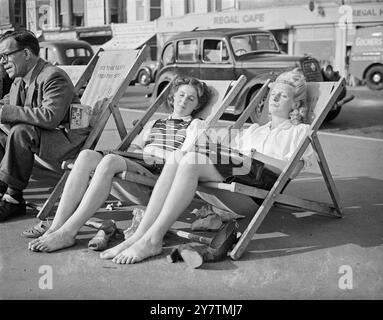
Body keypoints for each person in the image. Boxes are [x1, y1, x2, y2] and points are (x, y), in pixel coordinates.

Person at [97, 68, 315, 264]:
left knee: (191, 161)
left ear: (295, 104)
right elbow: (226, 154)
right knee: (177, 157)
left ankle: (153, 239)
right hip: (238, 171)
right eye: (273, 93)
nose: (274, 98)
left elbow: (292, 169)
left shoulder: (300, 131)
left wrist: (254, 155)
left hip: (262, 179)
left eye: (283, 95)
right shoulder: (253, 130)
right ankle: (141, 234)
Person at [27, 76, 210, 252]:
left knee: (110, 160)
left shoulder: (195, 125)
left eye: (191, 98)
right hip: (139, 161)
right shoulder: (156, 122)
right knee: (86, 156)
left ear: (197, 105)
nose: (184, 101)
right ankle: (57, 226)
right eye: (181, 95)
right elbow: (135, 146)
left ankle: (68, 232)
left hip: (160, 172)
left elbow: (183, 157)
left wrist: (151, 154)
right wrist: (142, 153)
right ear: (173, 97)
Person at [0, 30, 88, 222]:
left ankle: (13, 198)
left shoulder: (53, 76)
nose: (2, 61)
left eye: (6, 55)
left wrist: (4, 112)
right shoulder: (19, 80)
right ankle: (3, 188)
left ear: (26, 54)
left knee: (20, 131)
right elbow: (6, 105)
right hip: (43, 136)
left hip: (66, 141)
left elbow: (50, 117)